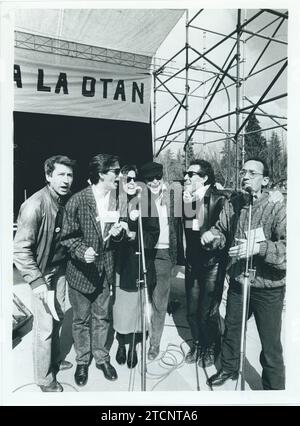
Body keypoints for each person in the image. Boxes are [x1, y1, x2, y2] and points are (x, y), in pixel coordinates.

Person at [201, 158, 286, 390]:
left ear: (265, 180)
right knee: (232, 330)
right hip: (239, 281)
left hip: (268, 288)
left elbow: (289, 250)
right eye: (243, 172)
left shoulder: (278, 206)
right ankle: (228, 368)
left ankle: (274, 390)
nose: (245, 176)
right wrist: (211, 236)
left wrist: (259, 248)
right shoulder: (235, 202)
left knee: (270, 345)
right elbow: (221, 230)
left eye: (252, 173)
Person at [60, 154, 124, 386]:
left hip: (105, 271)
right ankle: (82, 361)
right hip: (80, 273)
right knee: (80, 320)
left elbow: (116, 237)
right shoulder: (77, 201)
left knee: (102, 317)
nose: (119, 176)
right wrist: (81, 250)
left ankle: (101, 357)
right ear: (101, 174)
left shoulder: (118, 200)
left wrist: (118, 235)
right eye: (115, 171)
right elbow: (67, 237)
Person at [14, 155, 76, 392]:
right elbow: (19, 250)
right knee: (44, 327)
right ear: (49, 176)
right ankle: (44, 378)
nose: (66, 179)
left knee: (57, 315)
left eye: (69, 175)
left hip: (59, 269)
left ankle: (54, 360)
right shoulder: (34, 205)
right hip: (42, 273)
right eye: (60, 174)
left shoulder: (65, 200)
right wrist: (37, 281)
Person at [182, 159, 229, 368]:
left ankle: (212, 345)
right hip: (193, 261)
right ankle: (199, 343)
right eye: (186, 173)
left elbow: (225, 228)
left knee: (207, 311)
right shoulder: (188, 199)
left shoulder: (220, 198)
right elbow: (186, 228)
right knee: (192, 310)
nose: (187, 177)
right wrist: (186, 204)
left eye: (191, 174)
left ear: (204, 178)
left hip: (213, 263)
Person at [113, 165, 159, 368]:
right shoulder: (114, 201)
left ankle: (132, 346)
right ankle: (120, 343)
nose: (131, 182)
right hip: (118, 264)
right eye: (126, 179)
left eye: (134, 178)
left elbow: (153, 234)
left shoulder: (147, 202)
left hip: (138, 262)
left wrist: (133, 236)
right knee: (120, 308)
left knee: (135, 308)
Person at [139, 161, 183, 361]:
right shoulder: (138, 197)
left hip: (164, 253)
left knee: (160, 299)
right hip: (144, 252)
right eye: (150, 179)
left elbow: (196, 202)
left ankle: (154, 342)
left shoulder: (173, 194)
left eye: (158, 177)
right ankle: (138, 334)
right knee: (142, 296)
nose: (155, 182)